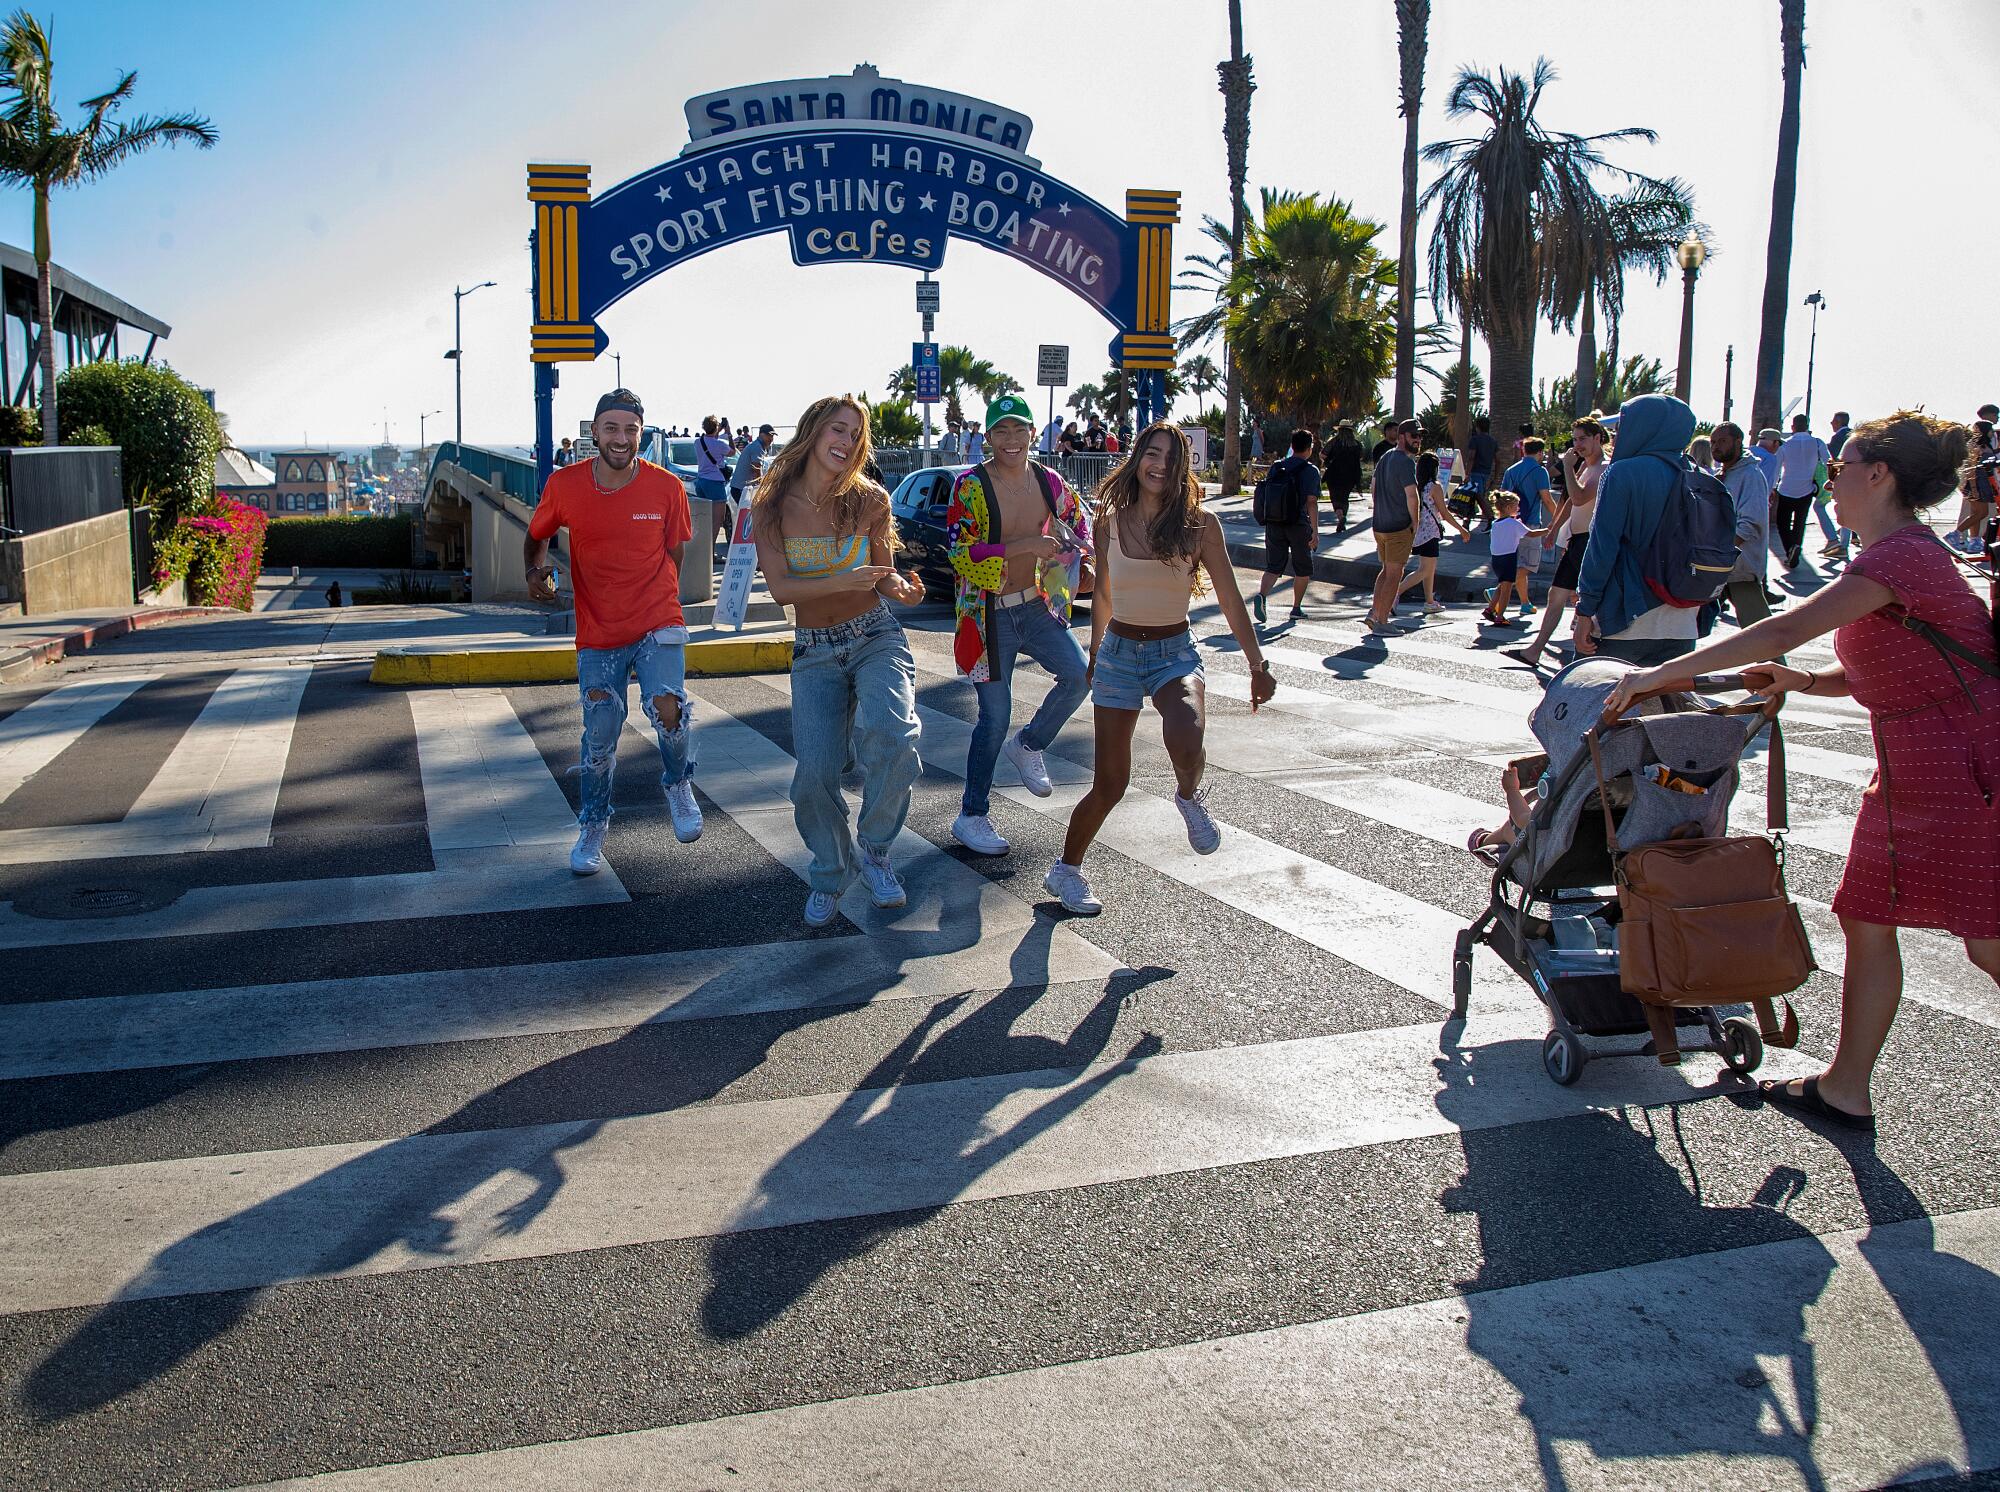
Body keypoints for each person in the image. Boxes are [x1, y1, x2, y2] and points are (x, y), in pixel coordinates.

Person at [1601, 411, 1999, 1129]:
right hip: (1915, 770)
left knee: (1986, 939)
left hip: (1961, 772)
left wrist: (1663, 672)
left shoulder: (1902, 556)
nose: (1828, 482)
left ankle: (1847, 1083)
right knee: (1866, 915)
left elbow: (1784, 626)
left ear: (1879, 475)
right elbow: (1895, 663)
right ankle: (1846, 1086)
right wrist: (1805, 683)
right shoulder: (1895, 560)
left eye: (1841, 467)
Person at [1043, 422, 1275, 913]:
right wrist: (1096, 650)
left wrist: (1258, 663)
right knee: (1111, 783)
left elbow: (1231, 597)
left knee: (1186, 734)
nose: (1160, 465)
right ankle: (1066, 871)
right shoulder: (1110, 522)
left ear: (1182, 468)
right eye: (1152, 453)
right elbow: (1103, 593)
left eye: (1172, 458)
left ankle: (1189, 797)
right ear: (1137, 458)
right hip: (1120, 655)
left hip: (1175, 651)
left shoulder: (1200, 526)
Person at [751, 395, 926, 928]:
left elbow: (884, 573)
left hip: (875, 635)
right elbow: (782, 590)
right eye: (837, 429)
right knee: (814, 777)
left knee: (896, 737)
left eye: (855, 434)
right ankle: (831, 869)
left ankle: (874, 851)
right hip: (815, 650)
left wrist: (903, 590)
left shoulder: (870, 498)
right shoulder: (770, 505)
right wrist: (841, 580)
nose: (846, 442)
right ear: (811, 432)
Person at [524, 387, 702, 874]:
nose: (621, 439)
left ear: (640, 434)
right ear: (595, 431)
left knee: (669, 706)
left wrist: (661, 596)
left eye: (631, 430)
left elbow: (675, 554)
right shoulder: (565, 485)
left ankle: (678, 782)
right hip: (598, 630)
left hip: (656, 616)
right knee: (600, 731)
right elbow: (537, 535)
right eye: (612, 428)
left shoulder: (667, 488)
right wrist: (534, 572)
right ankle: (594, 823)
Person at [945, 392, 1094, 858]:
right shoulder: (969, 486)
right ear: (987, 437)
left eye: (1020, 429)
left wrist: (1081, 559)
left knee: (1078, 676)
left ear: (1033, 433)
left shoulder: (1049, 481)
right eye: (1001, 430)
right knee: (993, 718)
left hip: (1037, 606)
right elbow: (960, 551)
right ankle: (972, 815)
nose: (1011, 439)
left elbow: (1079, 525)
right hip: (988, 615)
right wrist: (1026, 544)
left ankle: (1029, 745)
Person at [1570, 393, 1702, 666]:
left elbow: (1602, 548)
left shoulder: (1622, 473)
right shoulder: (1699, 475)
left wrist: (1585, 611)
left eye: (1621, 427)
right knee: (1664, 708)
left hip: (1624, 619)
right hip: (1683, 623)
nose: (1616, 435)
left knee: (1593, 703)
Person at [1508, 419, 1605, 666]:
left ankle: (1587, 653)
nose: (1578, 444)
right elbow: (1570, 501)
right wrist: (1554, 529)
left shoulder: (1603, 468)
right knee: (1556, 594)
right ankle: (1535, 650)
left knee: (1584, 601)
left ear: (1597, 438)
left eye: (1582, 438)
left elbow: (1580, 496)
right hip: (1576, 540)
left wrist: (1569, 468)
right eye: (1574, 439)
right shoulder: (1585, 467)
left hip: (1591, 542)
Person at [1251, 428, 1323, 624]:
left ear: (1292, 446)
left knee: (1273, 566)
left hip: (1274, 522)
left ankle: (1262, 596)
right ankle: (1296, 608)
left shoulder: (1277, 466)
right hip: (1298, 524)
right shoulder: (1311, 471)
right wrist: (1315, 531)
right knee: (1303, 569)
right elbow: (1311, 502)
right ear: (1309, 449)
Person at [1709, 420, 1776, 626]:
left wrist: (1724, 552)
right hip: (1716, 566)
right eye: (1713, 442)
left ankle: (1773, 660)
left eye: (1722, 440)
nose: (1716, 446)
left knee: (1758, 630)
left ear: (1738, 442)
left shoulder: (1750, 475)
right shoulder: (1722, 474)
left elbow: (1751, 524)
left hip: (1741, 568)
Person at [1395, 449, 1470, 613]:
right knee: (1425, 570)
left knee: (1428, 568)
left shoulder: (1417, 486)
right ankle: (1394, 593)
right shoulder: (1434, 487)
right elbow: (1444, 513)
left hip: (1419, 531)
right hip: (1431, 532)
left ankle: (1429, 601)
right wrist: (1461, 529)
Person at [1366, 419, 1421, 631]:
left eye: (1419, 436)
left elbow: (1373, 488)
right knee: (1395, 574)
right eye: (1413, 436)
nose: (1417, 440)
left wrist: (1380, 509)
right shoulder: (1406, 462)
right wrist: (1415, 523)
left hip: (1380, 524)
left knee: (1386, 571)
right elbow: (1412, 496)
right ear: (1401, 437)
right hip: (1398, 526)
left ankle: (1375, 612)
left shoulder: (1385, 458)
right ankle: (1383, 621)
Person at [1497, 436, 1554, 615]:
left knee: (1518, 562)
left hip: (1511, 522)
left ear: (1523, 451)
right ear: (1539, 452)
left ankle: (1525, 603)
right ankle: (1498, 592)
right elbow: (1546, 498)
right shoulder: (1540, 471)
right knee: (1529, 564)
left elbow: (1501, 497)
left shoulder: (1511, 470)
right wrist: (1559, 517)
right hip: (1530, 522)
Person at [1480, 493, 1534, 627]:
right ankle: (1499, 616)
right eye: (1516, 506)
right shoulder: (1513, 523)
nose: (1518, 508)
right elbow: (1531, 534)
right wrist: (1548, 530)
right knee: (1506, 590)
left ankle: (1490, 609)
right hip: (1509, 558)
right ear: (1509, 508)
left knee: (1502, 585)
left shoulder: (1495, 523)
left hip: (1496, 560)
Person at [729, 423, 775, 528]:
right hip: (741, 489)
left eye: (772, 436)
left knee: (750, 517)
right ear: (761, 435)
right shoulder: (757, 447)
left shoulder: (758, 446)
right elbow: (757, 469)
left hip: (739, 488)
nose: (771, 438)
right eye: (769, 435)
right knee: (752, 517)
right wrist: (761, 490)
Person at [694, 415, 734, 537]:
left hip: (701, 481)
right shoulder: (720, 444)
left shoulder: (698, 442)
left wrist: (718, 429)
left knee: (705, 520)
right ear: (716, 428)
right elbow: (732, 452)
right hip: (715, 482)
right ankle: (710, 551)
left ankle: (704, 549)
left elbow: (710, 440)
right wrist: (729, 434)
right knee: (717, 521)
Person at [1322, 421, 1364, 532]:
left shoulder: (1334, 442)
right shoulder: (1357, 444)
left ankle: (1340, 517)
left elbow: (1323, 454)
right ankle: (1343, 516)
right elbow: (1360, 458)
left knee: (1335, 497)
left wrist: (1329, 460)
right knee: (1344, 497)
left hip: (1334, 474)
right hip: (1351, 475)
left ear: (1339, 430)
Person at [1461, 415, 1500, 524]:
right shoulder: (1493, 441)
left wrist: (1467, 474)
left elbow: (1471, 457)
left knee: (1477, 496)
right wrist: (1496, 476)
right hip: (1486, 473)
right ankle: (1467, 521)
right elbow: (1498, 460)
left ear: (1477, 427)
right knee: (1474, 497)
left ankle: (1490, 518)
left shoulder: (1475, 440)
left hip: (1475, 472)